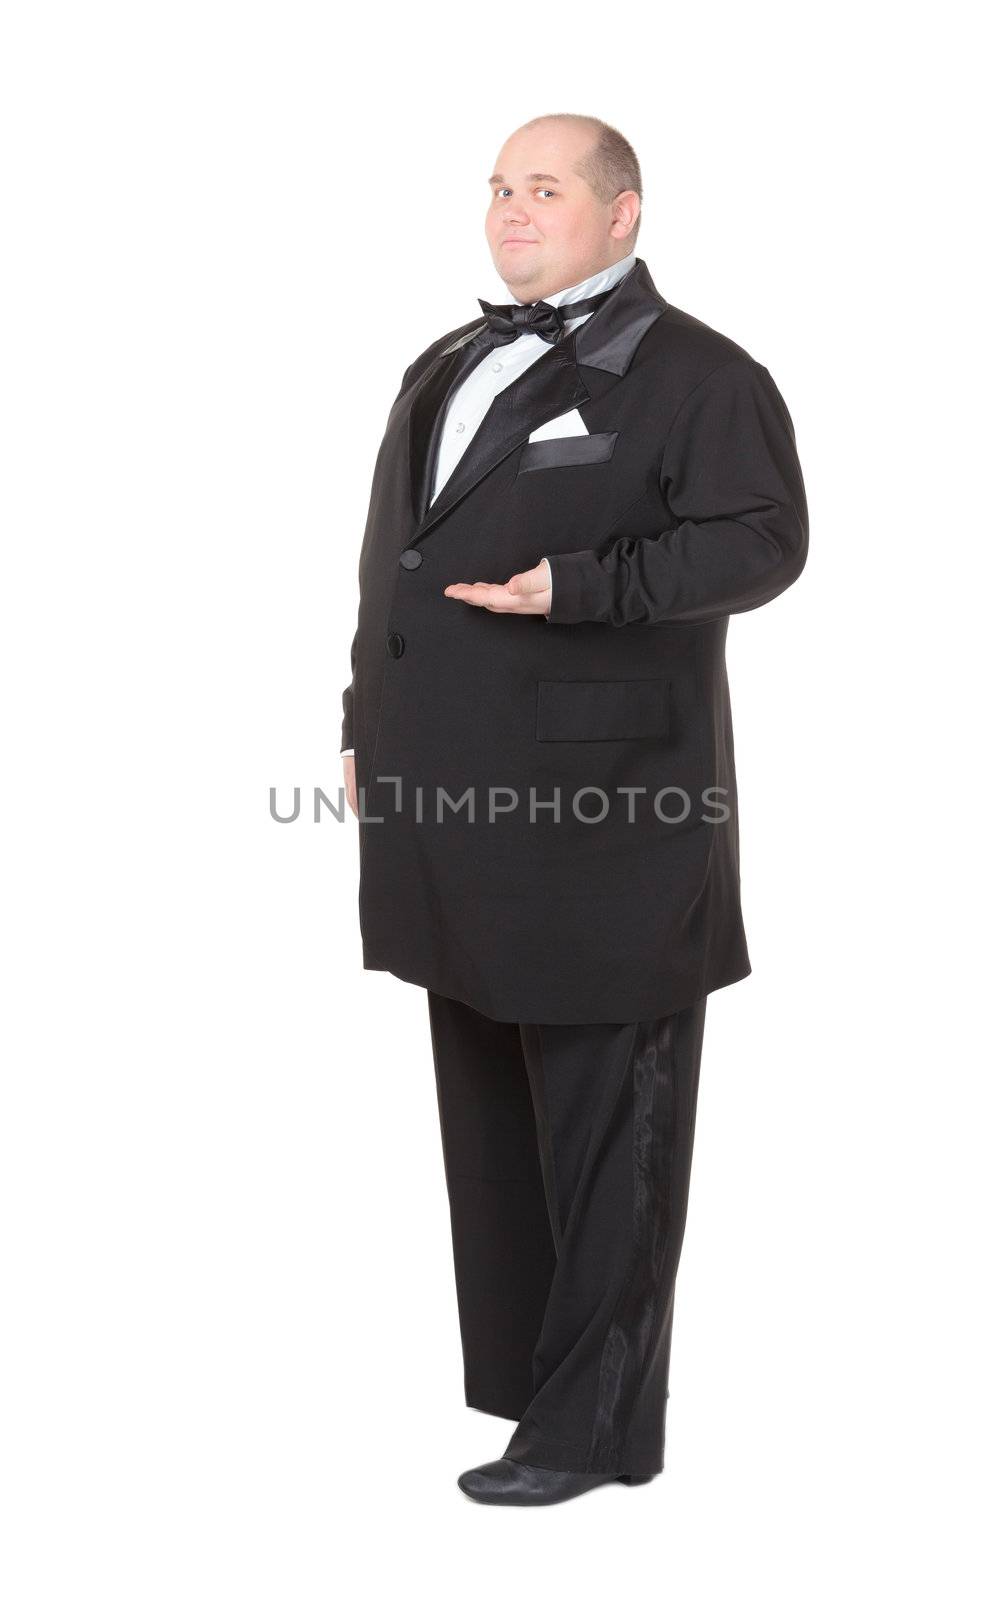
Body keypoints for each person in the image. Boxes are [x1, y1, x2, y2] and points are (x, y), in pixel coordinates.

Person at [338, 112, 808, 1506]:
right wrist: (366, 730)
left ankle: (595, 1430)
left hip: (607, 820)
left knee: (615, 1111)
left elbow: (762, 539)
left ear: (625, 213)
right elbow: (392, 574)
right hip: (449, 803)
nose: (510, 208)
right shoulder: (447, 362)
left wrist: (580, 585)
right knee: (487, 1096)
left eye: (545, 187)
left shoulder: (703, 375)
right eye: (497, 187)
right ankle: (525, 1385)